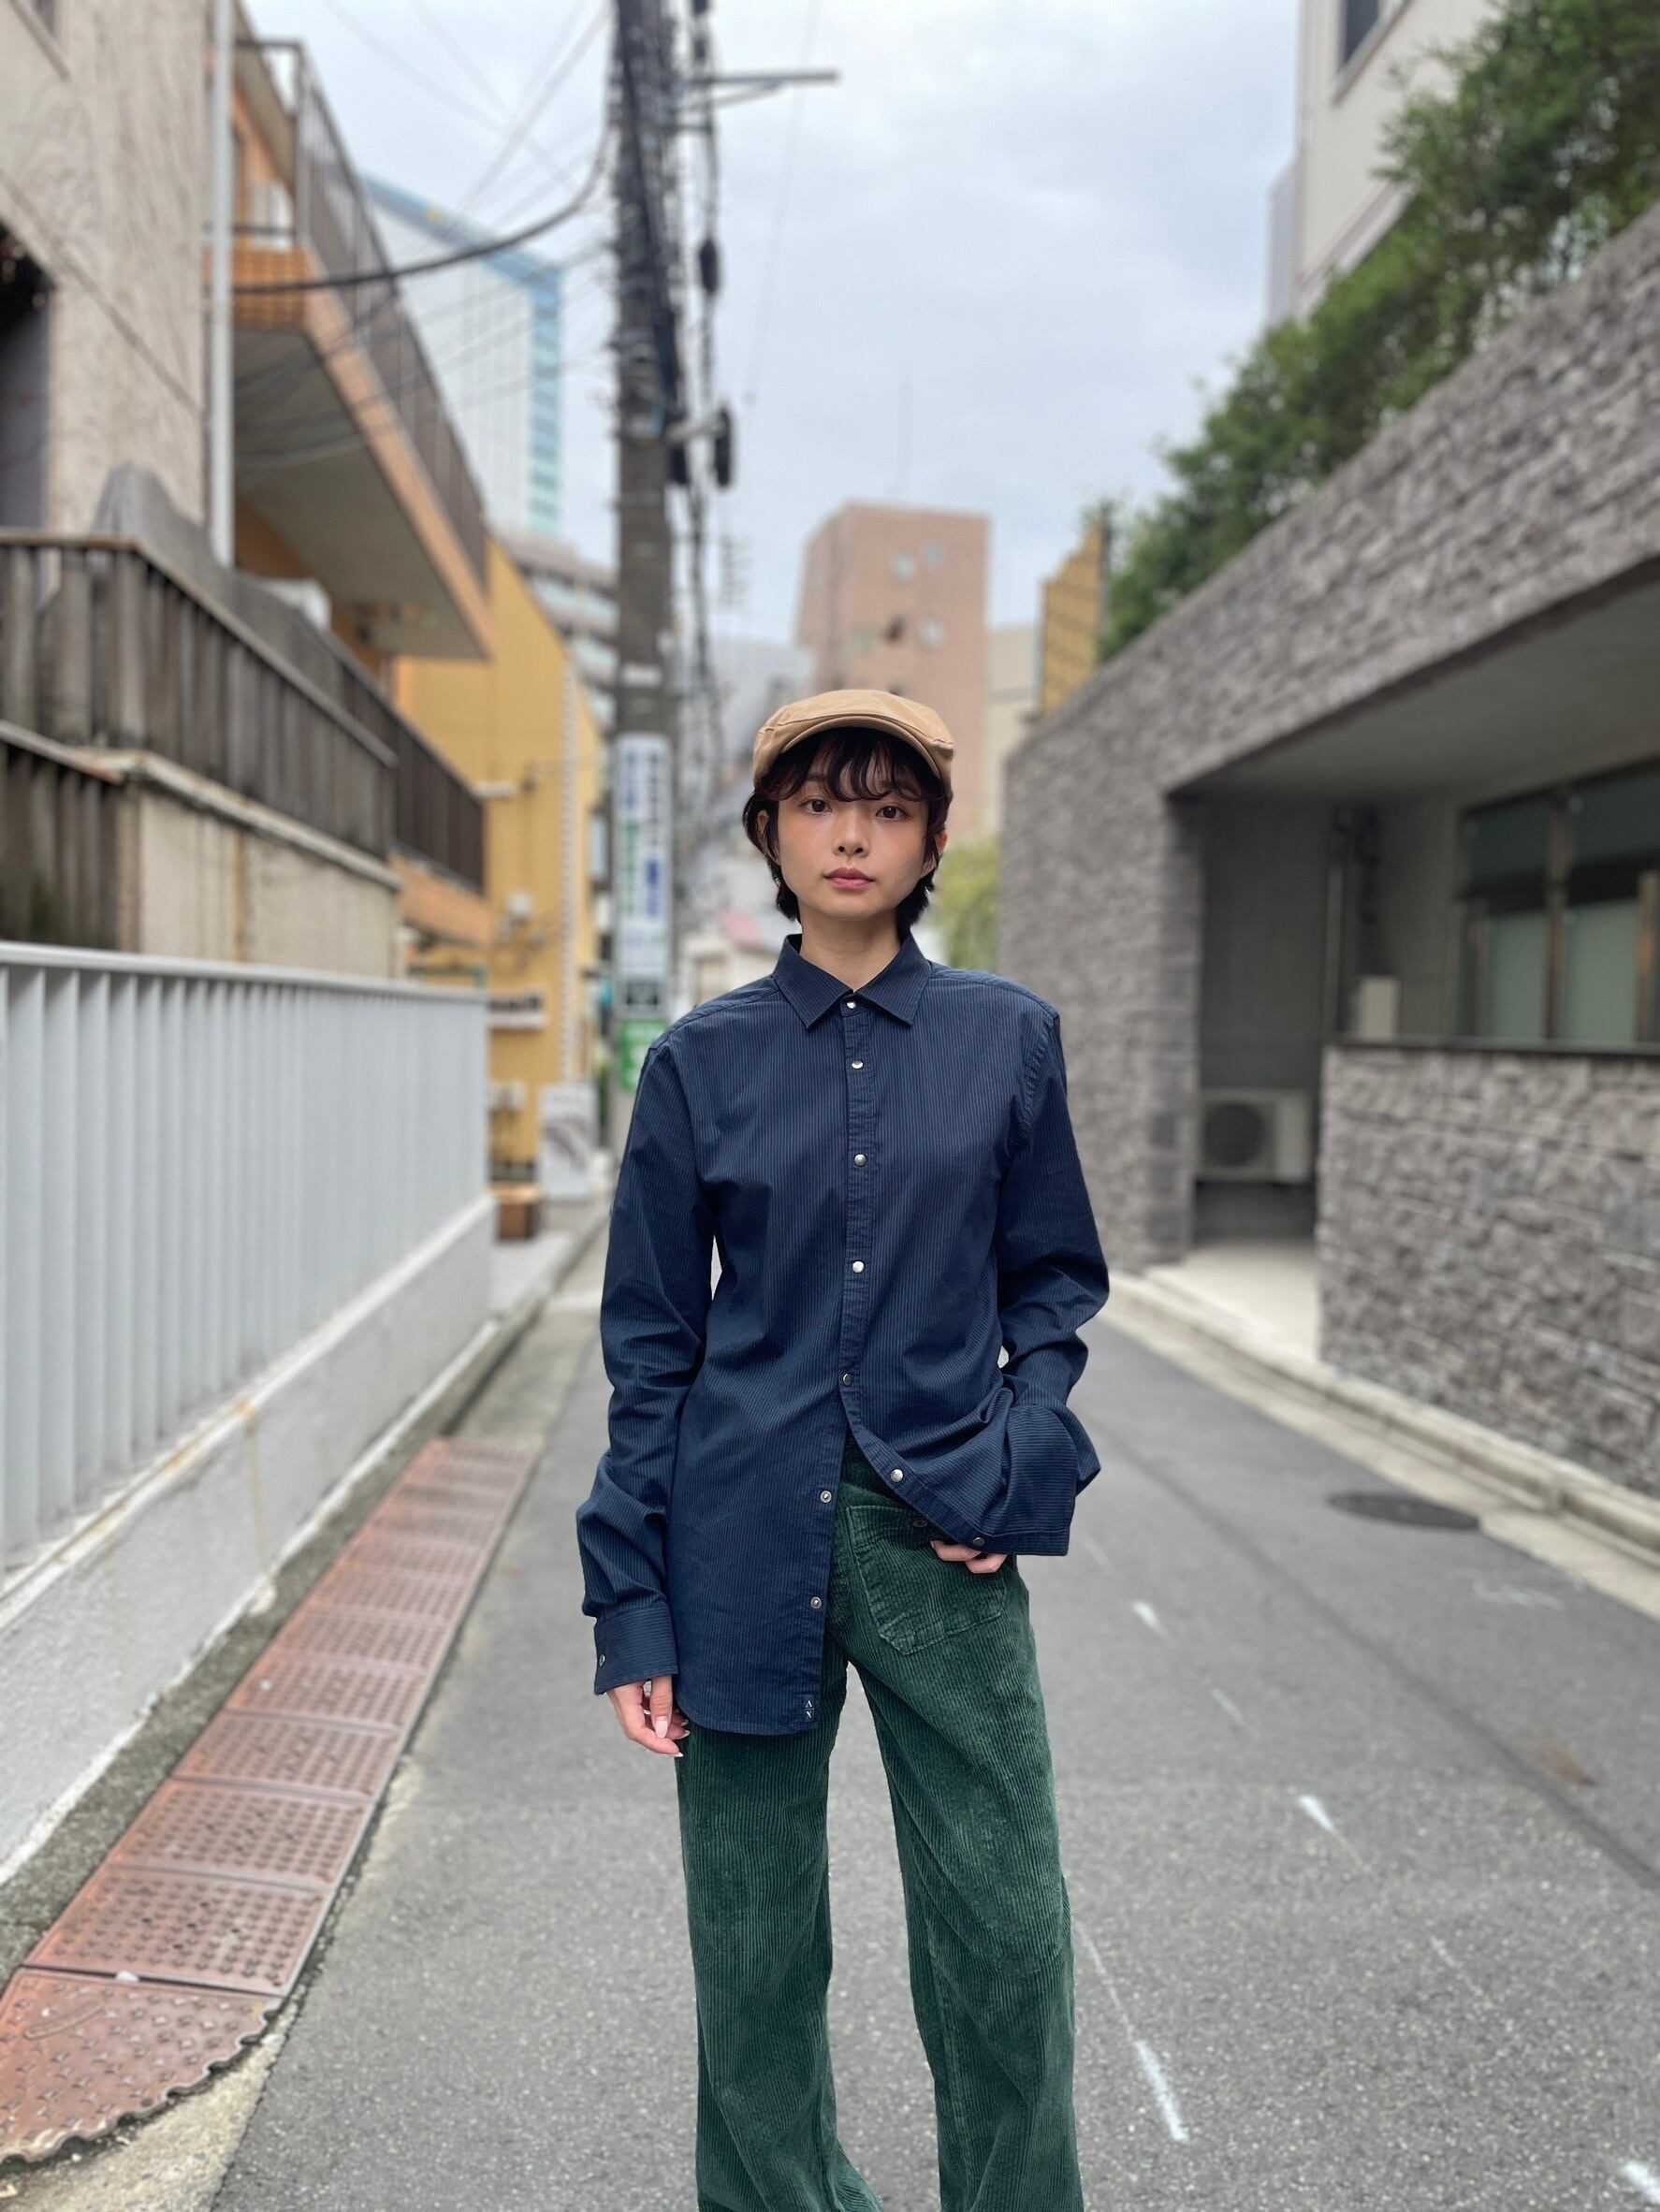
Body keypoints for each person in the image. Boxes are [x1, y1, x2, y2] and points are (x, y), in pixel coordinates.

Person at [575, 687, 1111, 2212]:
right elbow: (652, 1344)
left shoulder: (1007, 1039)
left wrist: (1018, 1457)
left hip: (942, 1530)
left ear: (932, 839)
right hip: (738, 1536)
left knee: (1004, 1929)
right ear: (770, 835)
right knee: (751, 1944)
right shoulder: (698, 1063)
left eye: (887, 807)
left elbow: (1052, 1283)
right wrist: (631, 1602)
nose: (851, 834)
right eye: (818, 805)